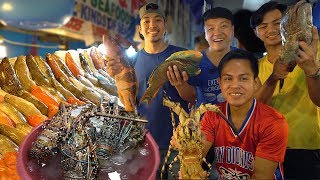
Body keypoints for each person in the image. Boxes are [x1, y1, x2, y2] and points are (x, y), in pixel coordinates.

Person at [172, 49, 289, 179]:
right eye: (228, 78)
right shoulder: (213, 115)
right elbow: (198, 154)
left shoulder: (273, 123)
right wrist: (186, 148)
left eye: (243, 78)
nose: (235, 85)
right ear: (220, 83)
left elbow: (260, 177)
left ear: (255, 83)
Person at [105, 2, 189, 178]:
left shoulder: (181, 57)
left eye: (158, 20)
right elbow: (126, 101)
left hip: (179, 144)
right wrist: (116, 78)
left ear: (165, 26)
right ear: (140, 29)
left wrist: (181, 86)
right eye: (146, 21)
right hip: (144, 143)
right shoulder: (130, 62)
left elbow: (194, 97)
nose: (152, 25)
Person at [250, 1, 320, 179]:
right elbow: (254, 109)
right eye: (263, 26)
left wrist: (312, 71)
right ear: (256, 33)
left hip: (306, 145)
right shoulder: (254, 68)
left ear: (288, 25)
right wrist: (273, 78)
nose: (271, 29)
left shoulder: (311, 56)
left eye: (277, 23)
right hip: (266, 149)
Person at [167, 7, 235, 107]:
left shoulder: (243, 59)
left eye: (224, 26)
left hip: (238, 120)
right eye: (211, 28)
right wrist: (180, 85)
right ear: (205, 34)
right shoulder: (194, 61)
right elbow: (192, 96)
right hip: (205, 120)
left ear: (232, 30)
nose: (217, 33)